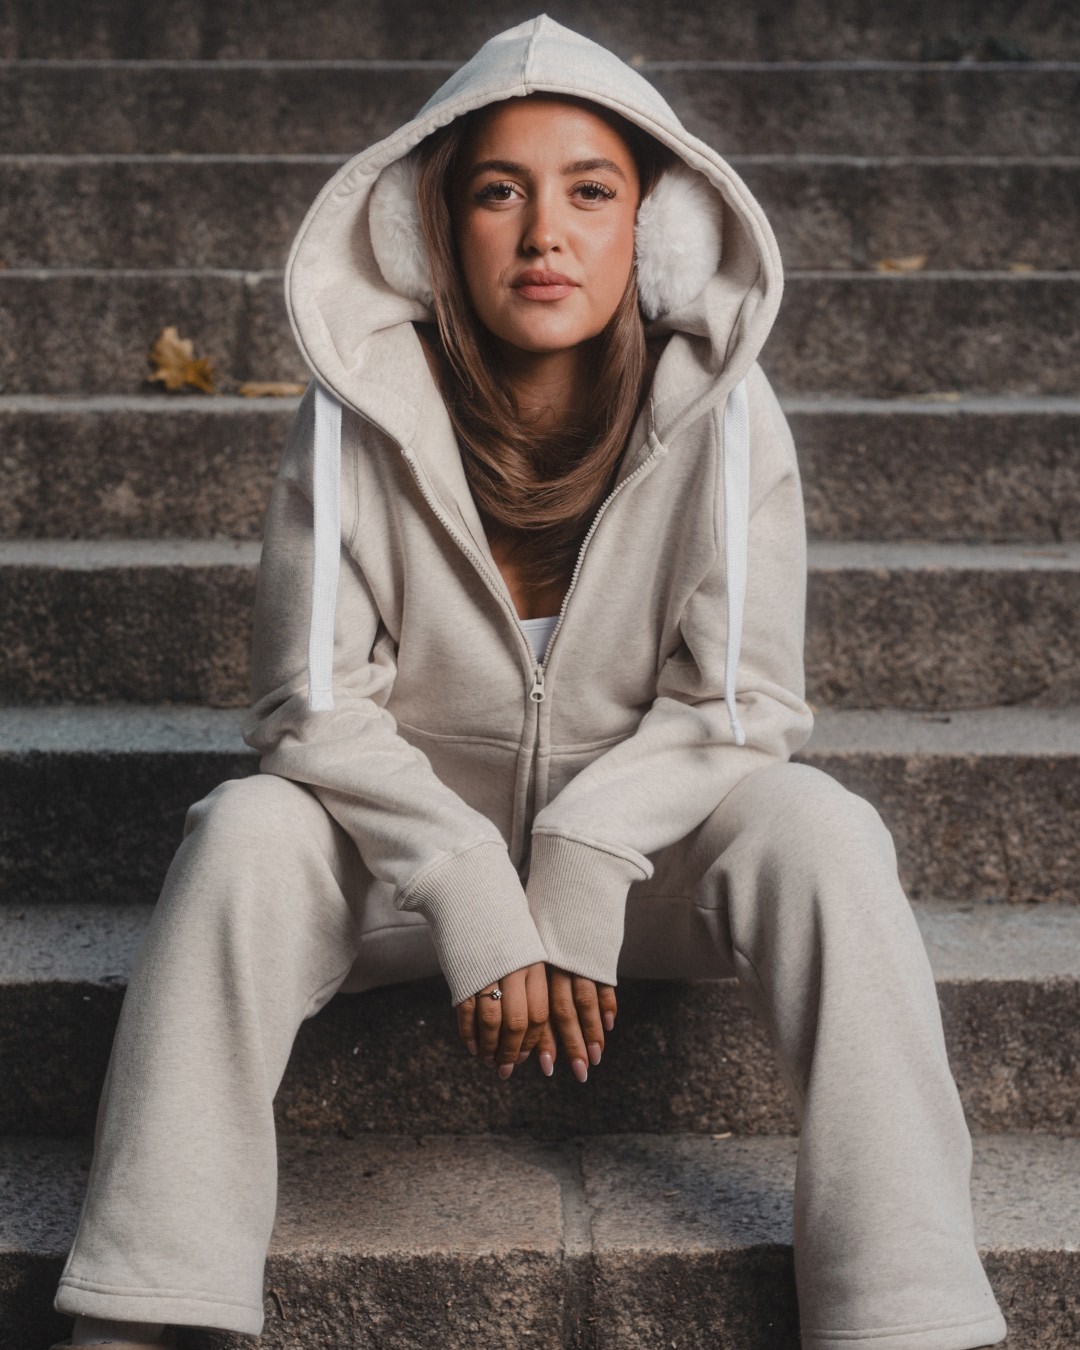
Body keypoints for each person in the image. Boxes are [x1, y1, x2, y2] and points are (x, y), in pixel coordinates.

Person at [50, 16, 1008, 1350]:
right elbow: (306, 706)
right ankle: (146, 1304)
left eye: (590, 190)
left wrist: (588, 848)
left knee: (830, 832)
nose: (544, 230)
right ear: (434, 231)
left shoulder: (727, 416)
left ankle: (906, 1312)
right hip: (399, 875)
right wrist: (463, 877)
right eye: (500, 189)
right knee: (241, 833)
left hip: (645, 876)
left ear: (652, 232)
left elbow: (745, 707)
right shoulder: (355, 413)